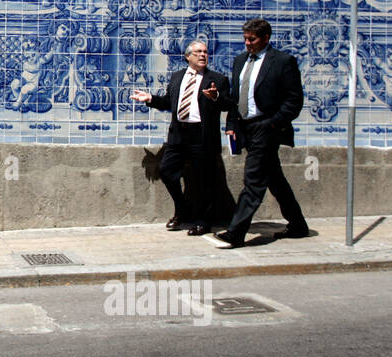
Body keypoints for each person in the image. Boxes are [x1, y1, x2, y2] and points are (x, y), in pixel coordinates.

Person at [210, 19, 309, 248]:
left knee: (253, 181)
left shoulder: (283, 62)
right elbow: (236, 99)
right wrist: (229, 118)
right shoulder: (240, 61)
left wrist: (274, 124)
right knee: (275, 179)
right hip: (246, 127)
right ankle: (298, 224)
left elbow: (294, 100)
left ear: (265, 38)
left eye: (252, 39)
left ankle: (236, 232)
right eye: (245, 39)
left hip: (267, 127)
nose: (247, 43)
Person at [132, 41, 231, 236]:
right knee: (167, 171)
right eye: (198, 52)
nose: (203, 55)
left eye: (205, 52)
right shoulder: (178, 77)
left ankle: (203, 221)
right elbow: (170, 102)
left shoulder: (217, 80)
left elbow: (228, 104)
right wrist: (150, 99)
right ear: (188, 56)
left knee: (204, 180)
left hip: (201, 135)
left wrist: (216, 97)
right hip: (179, 133)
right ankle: (182, 208)